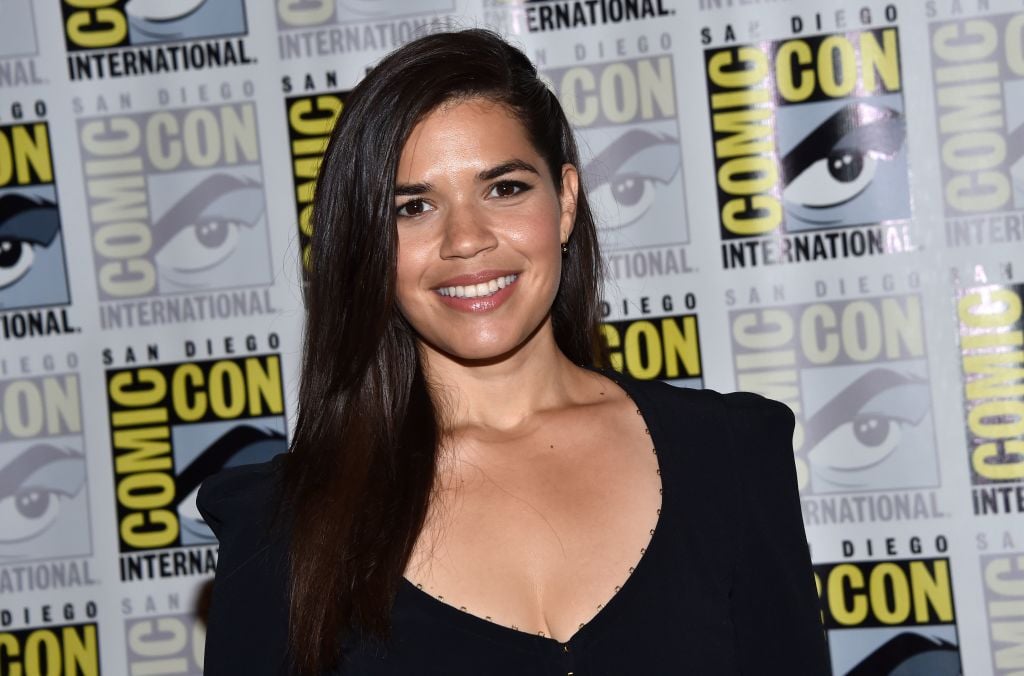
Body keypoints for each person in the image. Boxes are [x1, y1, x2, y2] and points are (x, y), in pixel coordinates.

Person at [197, 28, 830, 675]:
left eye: (504, 189)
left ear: (565, 203)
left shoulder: (730, 457)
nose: (465, 239)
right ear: (368, 245)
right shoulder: (284, 532)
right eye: (413, 206)